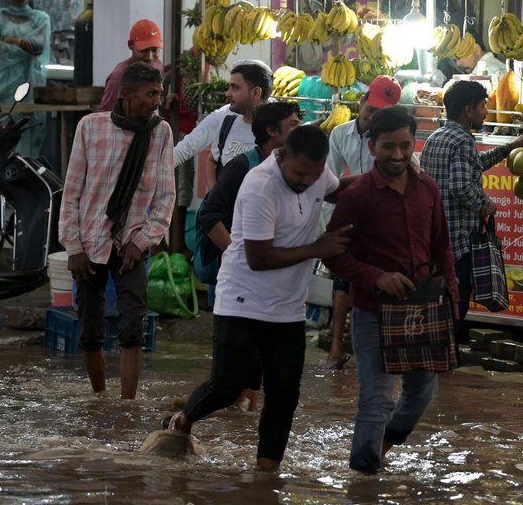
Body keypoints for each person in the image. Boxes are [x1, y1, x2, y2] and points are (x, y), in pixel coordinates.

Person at [162, 125, 352, 472]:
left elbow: (338, 191)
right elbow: (258, 258)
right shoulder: (260, 184)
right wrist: (318, 248)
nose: (308, 182)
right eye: (299, 174)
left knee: (284, 395)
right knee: (225, 386)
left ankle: (267, 476)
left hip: (288, 308)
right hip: (241, 300)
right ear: (281, 154)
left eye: (314, 174)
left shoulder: (316, 172)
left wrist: (382, 176)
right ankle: (183, 420)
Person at [323, 107, 457, 474]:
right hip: (372, 310)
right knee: (376, 399)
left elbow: (442, 247)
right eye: (388, 147)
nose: (397, 155)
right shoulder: (358, 196)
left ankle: (378, 450)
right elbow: (334, 255)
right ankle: (363, 482)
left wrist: (452, 302)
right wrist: (375, 276)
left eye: (405, 146)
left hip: (425, 309)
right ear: (371, 147)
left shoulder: (427, 189)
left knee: (421, 395)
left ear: (414, 145)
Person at [58, 62, 175, 400]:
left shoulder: (160, 133)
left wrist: (141, 242)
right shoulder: (90, 128)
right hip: (89, 243)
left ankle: (127, 407)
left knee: (131, 330)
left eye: (160, 92)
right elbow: (72, 193)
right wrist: (74, 248)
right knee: (90, 332)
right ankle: (98, 398)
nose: (157, 100)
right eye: (150, 94)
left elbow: (166, 197)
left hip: (130, 245)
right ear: (126, 95)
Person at [195, 101, 302, 413]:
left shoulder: (293, 168)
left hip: (271, 279)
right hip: (238, 278)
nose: (299, 129)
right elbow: (210, 214)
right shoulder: (243, 167)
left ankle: (243, 425)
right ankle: (186, 422)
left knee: (258, 361)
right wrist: (238, 255)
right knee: (229, 370)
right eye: (292, 124)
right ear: (272, 131)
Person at [419, 79, 523, 340]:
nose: (486, 113)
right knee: (456, 302)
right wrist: (485, 204)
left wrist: (509, 148)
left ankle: (435, 351)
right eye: (483, 106)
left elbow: (473, 165)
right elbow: (460, 186)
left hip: (433, 236)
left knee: (437, 300)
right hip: (456, 240)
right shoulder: (463, 139)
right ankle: (446, 357)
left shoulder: (437, 137)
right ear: (469, 110)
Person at [323, 75, 402, 370]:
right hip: (349, 214)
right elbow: (328, 182)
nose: (372, 117)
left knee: (378, 282)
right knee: (344, 280)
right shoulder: (340, 134)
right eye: (371, 110)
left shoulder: (391, 140)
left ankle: (375, 348)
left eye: (381, 113)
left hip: (383, 221)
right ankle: (336, 343)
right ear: (361, 102)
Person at [0, 0, 50, 158]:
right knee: (0, 132)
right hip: (2, 85)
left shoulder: (40, 18)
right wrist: (24, 45)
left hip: (29, 85)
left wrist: (12, 40)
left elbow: (38, 46)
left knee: (27, 130)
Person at [173, 61, 272, 175]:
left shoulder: (279, 122)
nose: (227, 94)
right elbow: (189, 148)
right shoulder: (225, 117)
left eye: (235, 88)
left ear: (256, 92)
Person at [99, 19, 163, 112]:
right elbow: (105, 116)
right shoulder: (118, 78)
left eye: (154, 50)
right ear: (130, 45)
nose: (149, 57)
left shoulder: (157, 66)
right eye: (144, 50)